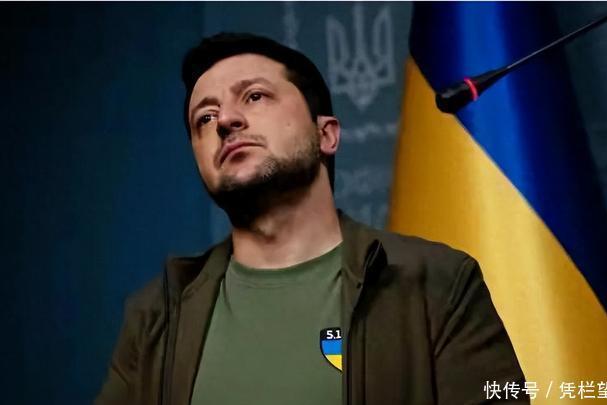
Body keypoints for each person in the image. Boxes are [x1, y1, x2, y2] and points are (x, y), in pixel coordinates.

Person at [95, 32, 527, 405]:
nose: (225, 120)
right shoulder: (158, 315)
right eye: (204, 118)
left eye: (254, 96)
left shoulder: (436, 284)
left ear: (326, 135)